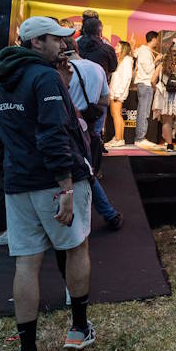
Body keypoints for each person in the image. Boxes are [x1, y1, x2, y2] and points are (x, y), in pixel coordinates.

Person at [0, 16, 95, 351]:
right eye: (56, 39)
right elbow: (53, 133)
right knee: (76, 247)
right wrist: (65, 187)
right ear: (37, 43)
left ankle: (27, 348)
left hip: (18, 181)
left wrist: (61, 85)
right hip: (53, 180)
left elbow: (21, 126)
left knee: (26, 262)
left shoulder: (5, 76)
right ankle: (79, 328)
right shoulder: (43, 76)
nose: (63, 45)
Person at [62, 40, 123, 231]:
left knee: (81, 172)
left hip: (66, 126)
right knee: (86, 171)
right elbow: (105, 99)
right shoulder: (97, 69)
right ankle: (108, 214)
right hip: (86, 126)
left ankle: (105, 214)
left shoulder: (59, 70)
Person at [132, 31, 161, 149]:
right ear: (153, 39)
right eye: (157, 39)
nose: (158, 42)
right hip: (145, 83)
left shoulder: (144, 51)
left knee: (144, 112)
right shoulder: (145, 51)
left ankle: (141, 137)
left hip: (145, 84)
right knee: (143, 112)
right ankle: (140, 138)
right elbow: (148, 69)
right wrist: (156, 61)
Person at [104, 41, 134, 148]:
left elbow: (126, 78)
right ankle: (119, 138)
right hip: (116, 91)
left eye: (118, 46)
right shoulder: (122, 60)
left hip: (117, 92)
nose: (115, 47)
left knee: (116, 114)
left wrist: (118, 92)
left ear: (124, 48)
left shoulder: (126, 61)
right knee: (116, 114)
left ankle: (118, 139)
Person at [76, 15, 117, 80]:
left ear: (83, 30)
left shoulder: (75, 46)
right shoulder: (108, 49)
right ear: (100, 31)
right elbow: (112, 68)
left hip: (77, 85)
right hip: (99, 86)